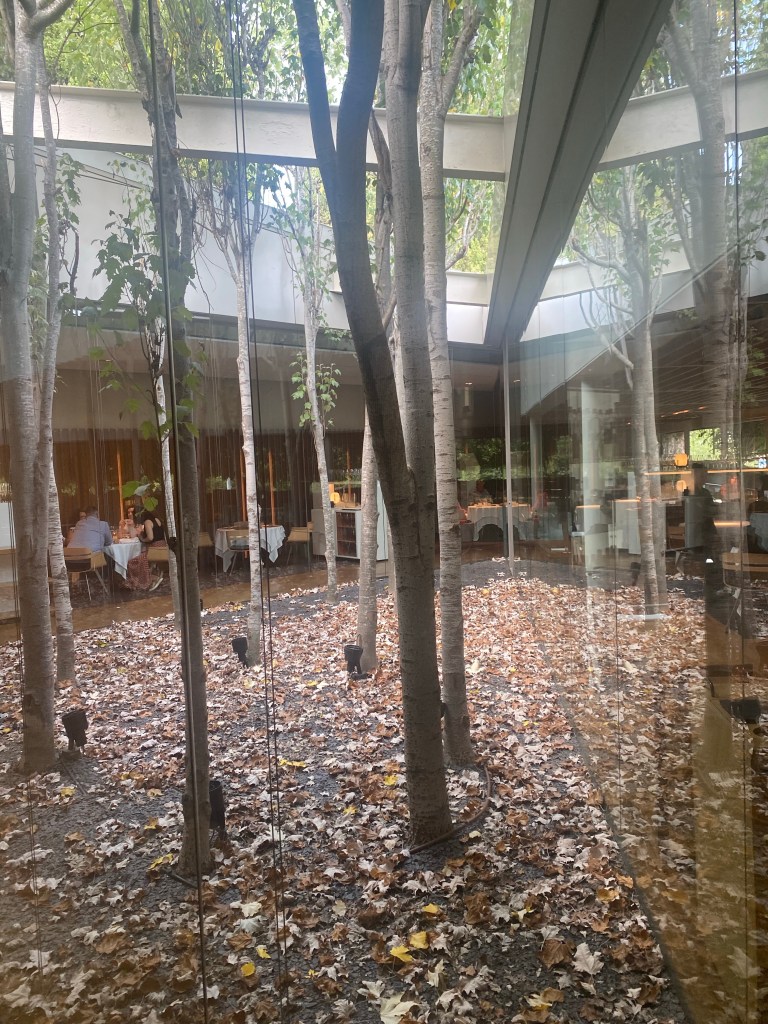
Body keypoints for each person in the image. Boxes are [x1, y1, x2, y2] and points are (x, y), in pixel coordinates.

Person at [125, 507, 166, 592]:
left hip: (154, 549)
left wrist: (143, 539)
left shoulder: (147, 522)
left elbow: (150, 537)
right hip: (163, 547)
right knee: (141, 556)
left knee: (132, 561)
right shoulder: (157, 519)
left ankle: (144, 581)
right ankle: (151, 577)